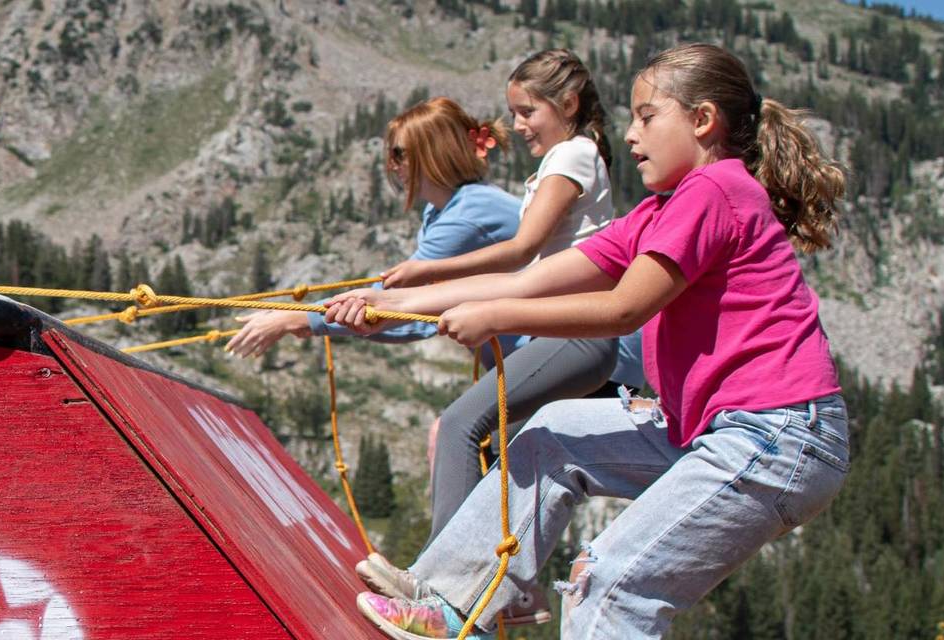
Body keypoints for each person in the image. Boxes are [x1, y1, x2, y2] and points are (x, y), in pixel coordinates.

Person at [331, 43, 849, 638]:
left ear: (703, 120)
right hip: (722, 431)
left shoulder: (716, 191)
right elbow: (529, 280)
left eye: (647, 118)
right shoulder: (659, 214)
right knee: (552, 436)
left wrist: (491, 316)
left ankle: (457, 607)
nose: (630, 136)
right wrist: (389, 305)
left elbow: (623, 308)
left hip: (774, 436)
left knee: (612, 582)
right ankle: (453, 604)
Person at [352, 50, 641, 629]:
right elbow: (522, 272)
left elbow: (520, 252)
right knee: (504, 453)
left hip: (575, 335)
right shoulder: (564, 159)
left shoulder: (574, 156)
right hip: (567, 332)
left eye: (526, 111)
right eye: (512, 113)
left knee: (462, 426)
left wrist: (425, 277)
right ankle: (492, 590)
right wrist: (414, 290)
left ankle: (438, 589)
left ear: (566, 105)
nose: (516, 126)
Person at [225, 97, 520, 356]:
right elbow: (414, 313)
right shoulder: (446, 210)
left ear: (432, 153)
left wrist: (296, 319)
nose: (393, 166)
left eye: (399, 154)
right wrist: (309, 323)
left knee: (457, 424)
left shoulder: (465, 216)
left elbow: (391, 300)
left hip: (530, 349)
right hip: (514, 355)